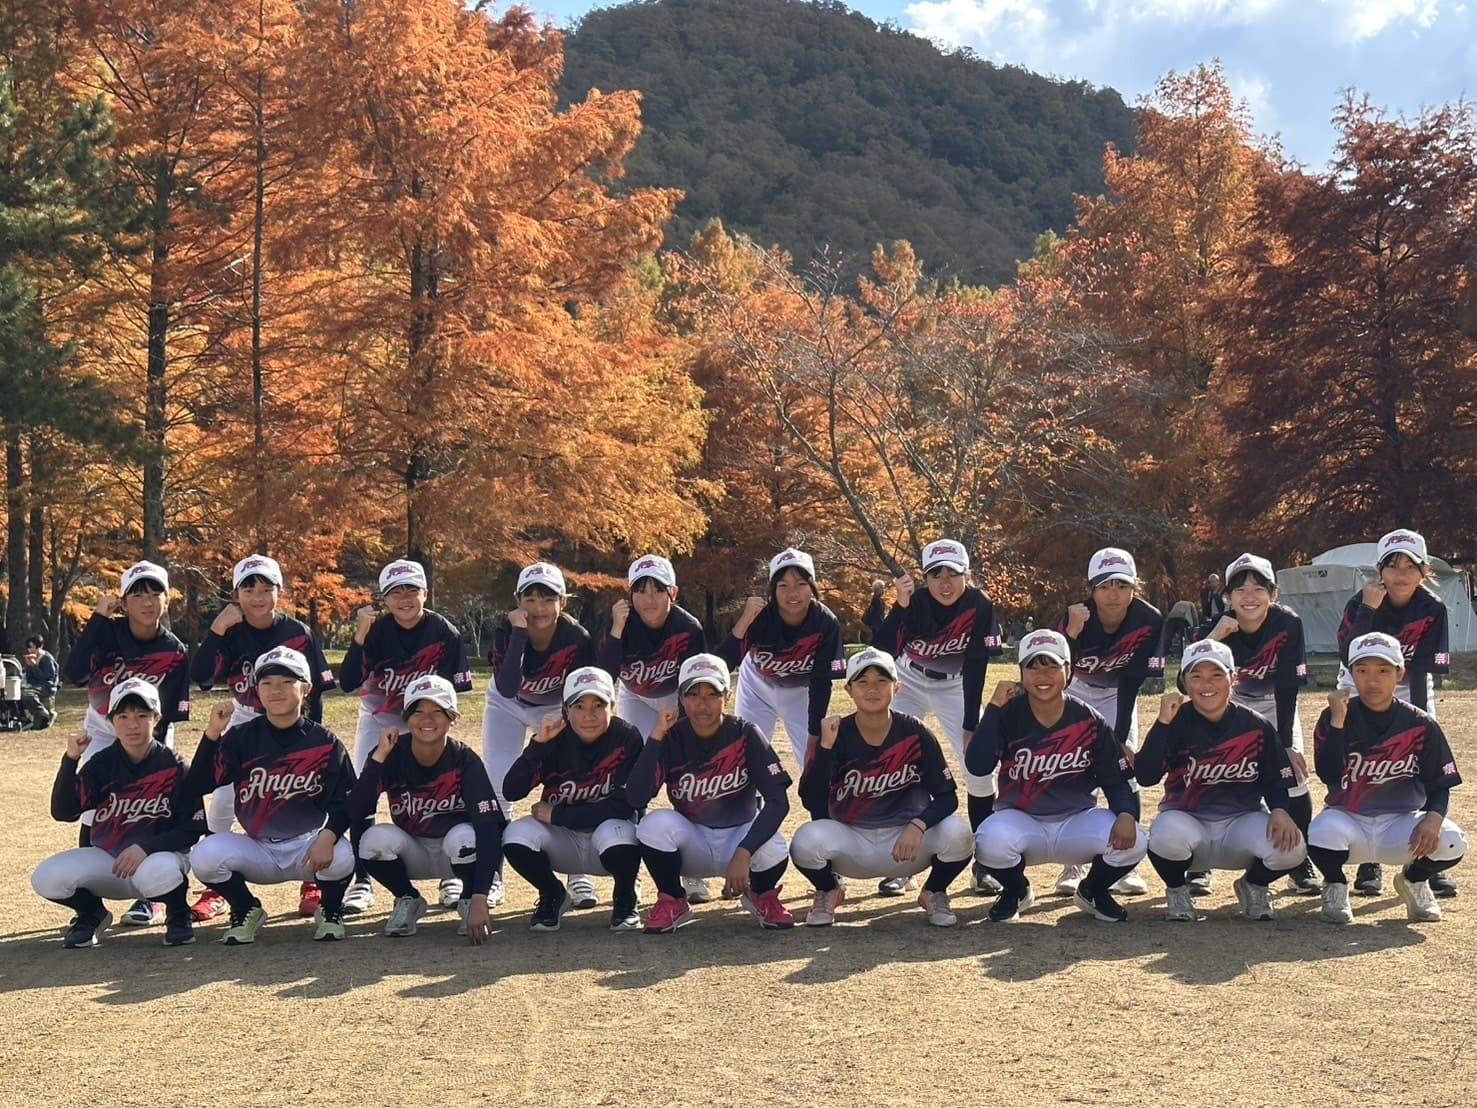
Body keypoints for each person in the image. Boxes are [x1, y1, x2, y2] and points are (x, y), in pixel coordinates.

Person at [190, 554, 338, 921]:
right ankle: (217, 887)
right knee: (223, 800)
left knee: (304, 795)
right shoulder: (231, 631)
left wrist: (311, 738)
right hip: (246, 719)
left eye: (266, 588)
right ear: (236, 594)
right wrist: (216, 629)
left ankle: (313, 879)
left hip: (295, 721)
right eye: (248, 588)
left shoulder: (298, 632)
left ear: (279, 592)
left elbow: (316, 690)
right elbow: (201, 676)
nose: (258, 596)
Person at [967, 629, 1148, 924]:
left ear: (1069, 671)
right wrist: (993, 709)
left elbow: (1115, 779)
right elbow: (977, 765)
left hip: (1076, 821)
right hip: (1021, 820)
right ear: (1021, 673)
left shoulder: (1088, 719)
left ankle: (1092, 891)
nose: (1043, 675)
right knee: (988, 841)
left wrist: (1127, 814)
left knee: (1136, 839)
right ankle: (1016, 891)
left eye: (1052, 666)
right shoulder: (1008, 714)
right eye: (1033, 667)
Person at [791, 647, 973, 927]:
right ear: (849, 690)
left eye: (881, 681)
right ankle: (829, 890)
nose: (872, 689)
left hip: (907, 844)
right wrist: (825, 748)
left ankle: (934, 891)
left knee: (959, 834)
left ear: (896, 687)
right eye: (862, 682)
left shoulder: (915, 732)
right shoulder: (836, 734)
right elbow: (811, 800)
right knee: (805, 842)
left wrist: (918, 825)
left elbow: (947, 796)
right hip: (852, 840)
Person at [187, 646, 357, 944]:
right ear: (256, 690)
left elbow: (347, 800)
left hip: (307, 846)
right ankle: (246, 908)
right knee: (204, 855)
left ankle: (330, 908)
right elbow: (198, 784)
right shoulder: (242, 738)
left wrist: (328, 837)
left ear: (306, 689)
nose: (276, 690)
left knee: (342, 855)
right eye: (266, 683)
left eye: (287, 682)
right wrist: (212, 733)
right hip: (258, 847)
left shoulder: (324, 742)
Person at [1135, 639, 1306, 922]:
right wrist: (1162, 724)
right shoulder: (1176, 721)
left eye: (1216, 675)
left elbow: (1275, 779)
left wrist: (1279, 809)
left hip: (1240, 823)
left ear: (1233, 678)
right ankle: (1177, 889)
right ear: (1183, 682)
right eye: (1196, 676)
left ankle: (1254, 885)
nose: (1207, 684)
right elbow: (1145, 775)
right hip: (1188, 821)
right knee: (1164, 834)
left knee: (1293, 848)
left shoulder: (1255, 725)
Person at [338, 558, 473, 914]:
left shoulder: (444, 632)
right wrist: (359, 636)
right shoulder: (377, 632)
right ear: (384, 599)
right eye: (395, 592)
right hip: (380, 718)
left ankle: (451, 875)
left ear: (425, 592)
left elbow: (454, 692)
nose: (405, 598)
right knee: (364, 794)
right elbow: (348, 681)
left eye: (412, 589)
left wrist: (433, 723)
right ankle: (362, 880)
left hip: (426, 719)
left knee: (444, 788)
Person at [61, 560, 191, 928]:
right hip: (102, 727)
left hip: (152, 732)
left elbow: (171, 712)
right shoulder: (107, 633)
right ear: (124, 601)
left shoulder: (174, 649)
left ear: (166, 600)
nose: (147, 602)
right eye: (137, 594)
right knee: (92, 810)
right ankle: (92, 905)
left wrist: (150, 760)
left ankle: (152, 897)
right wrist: (98, 619)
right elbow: (73, 674)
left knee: (150, 803)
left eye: (155, 593)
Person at [625, 653, 794, 932]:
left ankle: (761, 895)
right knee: (653, 825)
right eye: (693, 694)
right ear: (681, 699)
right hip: (693, 840)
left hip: (738, 836)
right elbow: (636, 797)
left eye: (712, 694)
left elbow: (778, 802)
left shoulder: (745, 733)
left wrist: (745, 851)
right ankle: (673, 899)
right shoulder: (670, 736)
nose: (702, 703)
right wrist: (655, 738)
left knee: (774, 846)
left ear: (727, 696)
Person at [31, 678, 203, 948]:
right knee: (47, 877)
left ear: (156, 719)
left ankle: (178, 912)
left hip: (157, 860)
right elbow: (64, 812)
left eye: (142, 715)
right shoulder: (101, 764)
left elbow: (192, 830)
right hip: (110, 860)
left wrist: (146, 848)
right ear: (111, 721)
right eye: (123, 716)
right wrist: (70, 760)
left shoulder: (175, 766)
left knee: (159, 869)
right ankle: (92, 913)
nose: (132, 724)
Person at [1308, 632, 1466, 924]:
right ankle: (1335, 885)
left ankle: (1414, 882)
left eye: (1383, 671)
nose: (1372, 681)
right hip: (1349, 819)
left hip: (1401, 823)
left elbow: (1440, 783)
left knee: (1452, 840)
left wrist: (1433, 819)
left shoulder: (1420, 723)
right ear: (1351, 674)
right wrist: (1338, 722)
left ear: (1400, 674)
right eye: (1362, 670)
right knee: (1320, 832)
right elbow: (1328, 774)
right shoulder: (1335, 716)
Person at [875, 539, 1003, 895]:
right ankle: (903, 866)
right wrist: (899, 608)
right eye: (936, 574)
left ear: (967, 575)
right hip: (910, 678)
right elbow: (881, 650)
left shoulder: (979, 604)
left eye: (953, 574)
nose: (945, 583)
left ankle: (986, 862)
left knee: (979, 767)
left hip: (956, 684)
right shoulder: (914, 602)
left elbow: (976, 664)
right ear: (925, 578)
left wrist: (970, 725)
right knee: (895, 761)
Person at [1334, 529, 1454, 897]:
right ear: (1379, 570)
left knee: (1416, 761)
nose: (1400, 574)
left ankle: (1426, 855)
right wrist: (1369, 609)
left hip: (1410, 684)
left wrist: (1412, 721)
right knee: (1365, 763)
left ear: (1424, 571)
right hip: (1360, 682)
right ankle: (1369, 861)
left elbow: (1425, 668)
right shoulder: (1361, 602)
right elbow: (1348, 656)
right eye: (1392, 565)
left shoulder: (1432, 608)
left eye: (1410, 566)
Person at [1193, 553, 1320, 895]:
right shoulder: (1216, 627)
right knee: (1211, 776)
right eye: (1240, 589)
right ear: (1227, 597)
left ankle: (1299, 860)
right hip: (1228, 710)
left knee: (1293, 777)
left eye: (1258, 588)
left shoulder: (1287, 623)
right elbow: (1184, 683)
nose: (1249, 596)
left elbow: (1288, 686)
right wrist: (1213, 638)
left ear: (1273, 594)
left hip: (1276, 706)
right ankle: (1199, 864)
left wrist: (1286, 744)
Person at [349, 675, 503, 943]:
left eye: (438, 711)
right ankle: (408, 898)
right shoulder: (391, 753)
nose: (427, 719)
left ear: (453, 717)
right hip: (413, 850)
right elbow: (356, 809)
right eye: (418, 711)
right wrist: (378, 759)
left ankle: (467, 899)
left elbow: (490, 828)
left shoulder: (464, 760)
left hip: (455, 851)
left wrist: (480, 895)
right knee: (372, 841)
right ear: (406, 717)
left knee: (467, 838)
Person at [483, 561, 596, 909]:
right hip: (507, 704)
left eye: (548, 599)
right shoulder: (507, 630)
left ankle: (578, 874)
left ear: (563, 602)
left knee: (572, 782)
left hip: (556, 707)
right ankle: (491, 876)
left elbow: (581, 691)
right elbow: (507, 686)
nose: (538, 608)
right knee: (497, 787)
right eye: (529, 599)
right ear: (518, 601)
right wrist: (519, 634)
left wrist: (565, 723)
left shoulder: (576, 637)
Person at [501, 667, 645, 932]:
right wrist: (538, 744)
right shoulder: (554, 738)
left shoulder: (627, 737)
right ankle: (553, 893)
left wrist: (557, 815)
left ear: (613, 706)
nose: (589, 715)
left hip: (607, 836)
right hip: (563, 838)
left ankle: (625, 898)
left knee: (621, 833)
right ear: (566, 709)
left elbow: (626, 805)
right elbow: (512, 790)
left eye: (599, 705)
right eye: (579, 706)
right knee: (515, 836)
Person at [1055, 547, 1163, 896]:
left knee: (1124, 769)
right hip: (1077, 690)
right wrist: (1071, 634)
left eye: (1121, 585)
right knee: (1073, 769)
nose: (1113, 594)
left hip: (1119, 693)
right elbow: (1056, 670)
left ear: (1134, 587)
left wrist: (1119, 736)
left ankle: (1123, 863)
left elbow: (1131, 679)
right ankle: (1071, 864)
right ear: (1091, 588)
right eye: (1104, 586)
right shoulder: (1076, 616)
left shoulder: (1148, 619)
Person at [716, 547, 844, 767]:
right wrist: (744, 621)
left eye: (801, 584)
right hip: (757, 686)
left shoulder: (825, 622)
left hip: (802, 692)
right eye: (783, 585)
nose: (792, 593)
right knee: (747, 757)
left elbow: (821, 682)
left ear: (812, 587)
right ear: (773, 590)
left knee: (814, 761)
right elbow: (722, 663)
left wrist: (814, 734)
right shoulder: (760, 617)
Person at [21, 636, 59, 730]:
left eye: (32, 647)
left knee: (27, 695)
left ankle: (45, 714)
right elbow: (29, 677)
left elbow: (48, 677)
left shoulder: (47, 658)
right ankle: (29, 719)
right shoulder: (31, 657)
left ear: (39, 646)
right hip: (34, 685)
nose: (30, 650)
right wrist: (29, 667)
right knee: (19, 694)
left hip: (46, 685)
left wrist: (34, 666)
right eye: (28, 647)